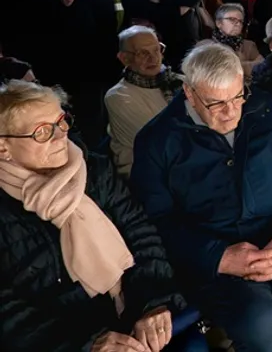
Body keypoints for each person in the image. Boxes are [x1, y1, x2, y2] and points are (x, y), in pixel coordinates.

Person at [131, 42, 272, 352]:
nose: (231, 113)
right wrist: (220, 257)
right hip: (218, 256)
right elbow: (156, 222)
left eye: (237, 96)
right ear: (189, 92)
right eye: (216, 103)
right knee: (261, 324)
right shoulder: (157, 140)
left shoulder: (266, 107)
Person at [0, 80, 205, 352]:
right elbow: (7, 312)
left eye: (62, 121)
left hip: (135, 311)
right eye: (42, 132)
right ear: (4, 147)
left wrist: (155, 302)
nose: (61, 135)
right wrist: (88, 343)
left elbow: (141, 233)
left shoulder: (93, 169)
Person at [27, 0, 119, 145]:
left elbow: (106, 21)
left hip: (90, 66)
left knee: (93, 127)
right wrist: (60, 6)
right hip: (58, 71)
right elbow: (32, 27)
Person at [104, 26, 182, 176]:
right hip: (149, 174)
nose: (153, 58)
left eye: (156, 50)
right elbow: (162, 141)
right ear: (124, 58)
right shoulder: (118, 97)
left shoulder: (179, 82)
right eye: (142, 53)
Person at [212, 3, 263, 81]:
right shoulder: (207, 46)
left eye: (240, 21)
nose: (238, 24)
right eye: (232, 19)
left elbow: (261, 67)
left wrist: (231, 66)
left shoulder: (249, 45)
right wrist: (246, 65)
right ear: (219, 23)